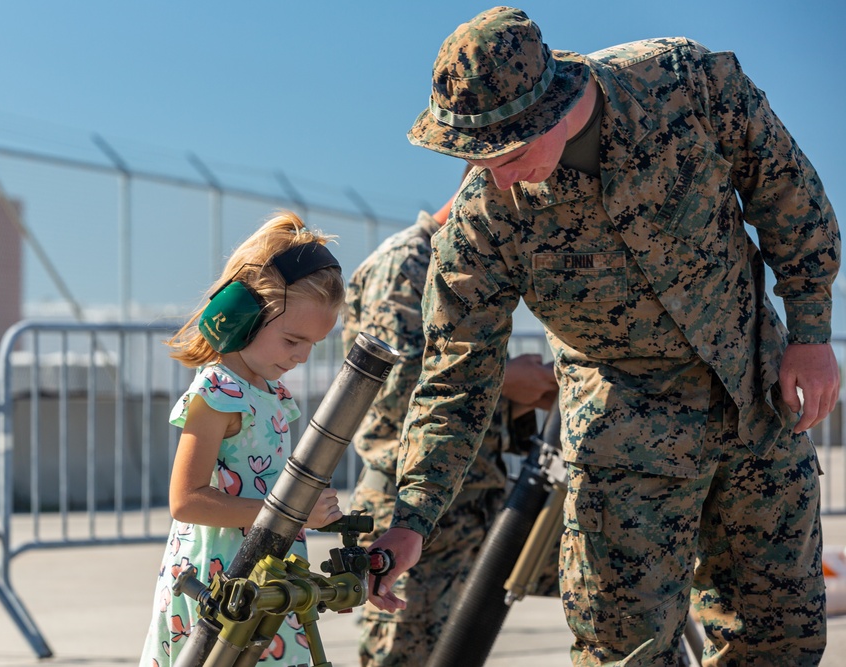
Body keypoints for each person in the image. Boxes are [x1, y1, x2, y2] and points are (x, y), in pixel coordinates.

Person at [369, 7, 841, 666]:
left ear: (555, 107)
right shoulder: (482, 223)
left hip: (754, 397)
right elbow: (455, 379)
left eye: (509, 151)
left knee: (780, 636)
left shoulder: (686, 83)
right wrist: (413, 516)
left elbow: (789, 194)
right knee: (624, 649)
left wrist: (812, 333)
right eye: (478, 156)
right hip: (626, 438)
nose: (497, 175)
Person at [343, 165, 558, 666]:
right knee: (403, 655)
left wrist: (523, 394)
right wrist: (506, 379)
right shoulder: (406, 264)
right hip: (410, 508)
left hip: (469, 504)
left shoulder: (473, 264)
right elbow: (393, 389)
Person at [139, 211, 346, 666]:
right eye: (293, 339)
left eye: (314, 344)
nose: (303, 357)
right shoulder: (217, 392)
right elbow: (186, 501)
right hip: (219, 585)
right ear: (245, 313)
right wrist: (290, 515)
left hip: (265, 576)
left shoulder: (272, 392)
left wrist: (313, 514)